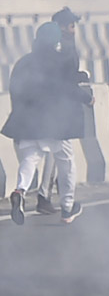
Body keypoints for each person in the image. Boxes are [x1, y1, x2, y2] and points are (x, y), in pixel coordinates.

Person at [3, 23, 90, 224]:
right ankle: (67, 208)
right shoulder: (59, 61)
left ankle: (20, 190)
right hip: (55, 122)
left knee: (30, 160)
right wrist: (87, 99)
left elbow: (15, 89)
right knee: (66, 162)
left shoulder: (23, 62)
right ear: (56, 41)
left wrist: (21, 113)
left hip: (26, 122)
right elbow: (67, 87)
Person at [35, 7, 87, 214]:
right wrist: (84, 92)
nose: (74, 30)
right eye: (72, 26)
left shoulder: (50, 46)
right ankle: (58, 201)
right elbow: (64, 79)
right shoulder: (63, 48)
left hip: (53, 106)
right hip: (58, 107)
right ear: (64, 27)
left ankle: (45, 196)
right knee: (58, 153)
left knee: (52, 152)